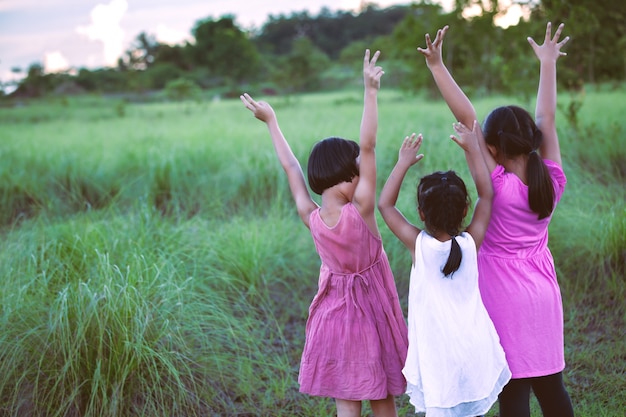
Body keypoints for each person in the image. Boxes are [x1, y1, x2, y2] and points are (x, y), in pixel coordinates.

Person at [417, 22, 574, 417]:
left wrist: (437, 66)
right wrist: (548, 62)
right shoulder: (551, 180)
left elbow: (466, 114)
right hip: (544, 294)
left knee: (513, 392)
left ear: (494, 146)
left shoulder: (496, 185)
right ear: (531, 141)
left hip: (502, 295)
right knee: (552, 388)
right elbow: (547, 118)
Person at [240, 50, 408, 417]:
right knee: (381, 392)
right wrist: (370, 91)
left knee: (346, 393)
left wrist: (271, 121)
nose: (364, 174)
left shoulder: (310, 216)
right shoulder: (361, 210)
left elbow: (291, 166)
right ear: (349, 176)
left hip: (333, 314)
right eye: (359, 171)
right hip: (371, 311)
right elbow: (369, 145)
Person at [378, 120, 511, 416]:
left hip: (437, 358)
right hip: (474, 349)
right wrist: (473, 150)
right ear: (465, 210)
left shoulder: (419, 246)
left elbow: (385, 206)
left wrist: (402, 164)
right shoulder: (470, 243)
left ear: (422, 213)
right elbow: (487, 195)